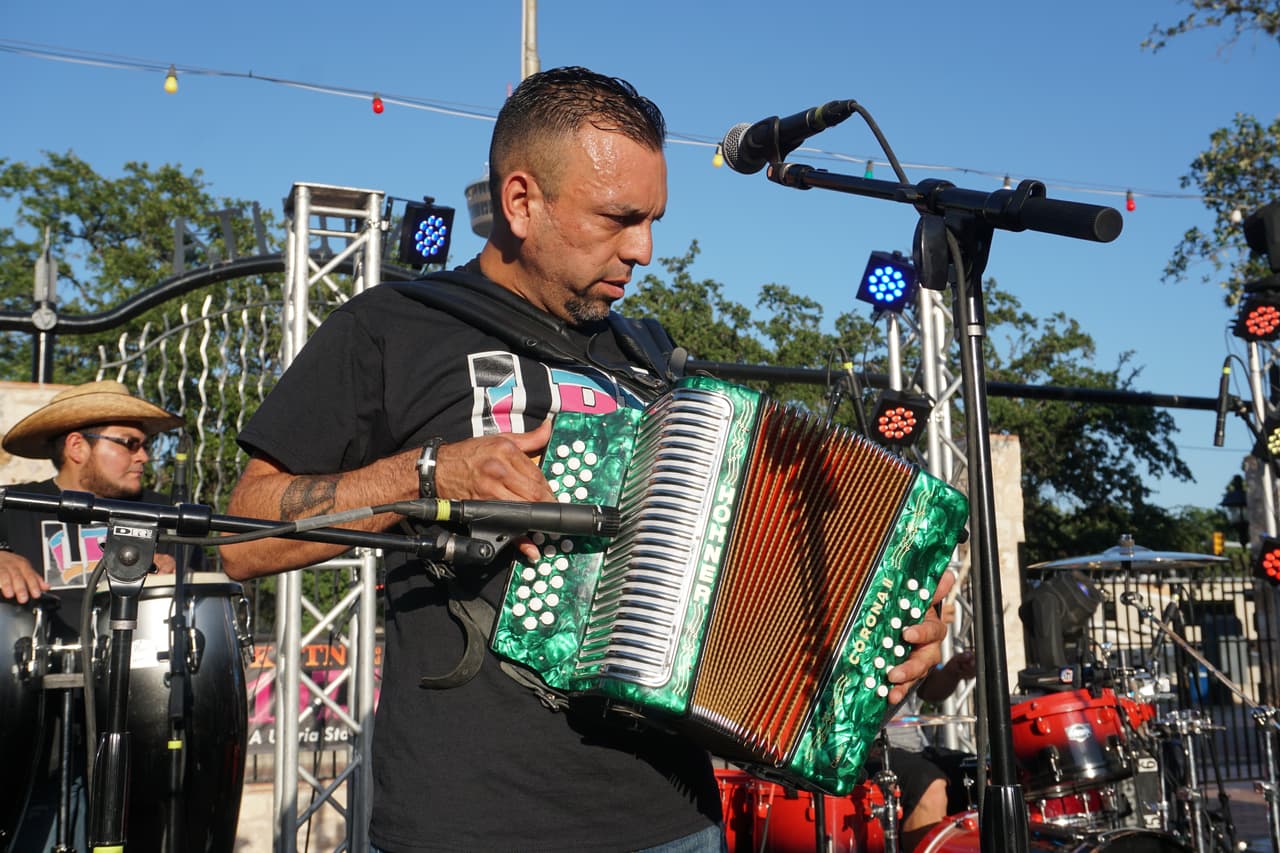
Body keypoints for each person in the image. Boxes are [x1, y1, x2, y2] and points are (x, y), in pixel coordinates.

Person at [220, 65, 954, 852]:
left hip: (673, 822)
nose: (643, 249)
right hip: (469, 824)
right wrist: (425, 474)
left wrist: (886, 630)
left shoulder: (657, 360)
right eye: (618, 217)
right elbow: (241, 538)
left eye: (653, 219)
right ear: (522, 201)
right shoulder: (394, 327)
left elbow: (754, 566)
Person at [0, 379, 189, 850]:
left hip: (136, 730)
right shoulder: (14, 506)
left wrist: (174, 576)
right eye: (130, 444)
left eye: (147, 444)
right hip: (28, 735)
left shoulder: (166, 516)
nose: (145, 456)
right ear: (77, 446)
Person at [869, 599, 978, 851]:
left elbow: (929, 691)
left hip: (913, 746)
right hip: (864, 749)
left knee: (979, 773)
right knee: (928, 783)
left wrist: (952, 672)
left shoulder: (906, 613)